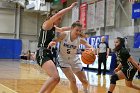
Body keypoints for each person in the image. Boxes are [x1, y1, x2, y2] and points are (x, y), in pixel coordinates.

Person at [35, 2, 78, 93]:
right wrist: (70, 7)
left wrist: (74, 28)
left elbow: (62, 29)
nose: (60, 20)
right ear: (54, 18)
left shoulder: (53, 27)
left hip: (48, 53)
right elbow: (59, 13)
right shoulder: (47, 24)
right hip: (42, 52)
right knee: (54, 77)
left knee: (56, 79)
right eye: (59, 19)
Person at [48, 21, 95, 93]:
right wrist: (52, 42)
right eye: (77, 30)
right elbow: (55, 40)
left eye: (80, 31)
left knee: (85, 81)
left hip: (74, 60)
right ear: (72, 29)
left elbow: (87, 44)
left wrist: (92, 48)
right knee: (73, 80)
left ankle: (85, 90)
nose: (78, 32)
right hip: (63, 60)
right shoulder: (64, 34)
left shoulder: (79, 39)